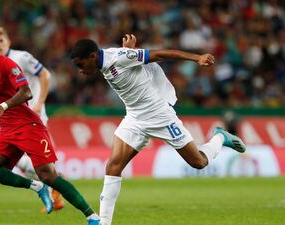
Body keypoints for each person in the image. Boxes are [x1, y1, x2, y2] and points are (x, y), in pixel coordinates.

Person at [70, 34, 246, 225]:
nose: (80, 71)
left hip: (159, 115)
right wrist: (130, 51)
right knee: (113, 166)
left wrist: (197, 58)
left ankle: (219, 137)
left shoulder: (119, 58)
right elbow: (129, 62)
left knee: (199, 162)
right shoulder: (112, 59)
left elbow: (161, 54)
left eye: (81, 65)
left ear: (93, 56)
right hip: (134, 118)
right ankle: (104, 222)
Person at [0, 28, 100, 225]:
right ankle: (37, 187)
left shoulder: (6, 64)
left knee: (49, 175)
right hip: (7, 130)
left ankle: (92, 216)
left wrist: (3, 106)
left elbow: (26, 92)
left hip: (28, 125)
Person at [0, 26, 64, 211]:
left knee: (38, 163)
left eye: (1, 41)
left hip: (34, 115)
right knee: (24, 164)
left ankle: (56, 190)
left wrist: (40, 102)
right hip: (14, 119)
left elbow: (45, 74)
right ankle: (55, 188)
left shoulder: (21, 57)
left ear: (8, 41)